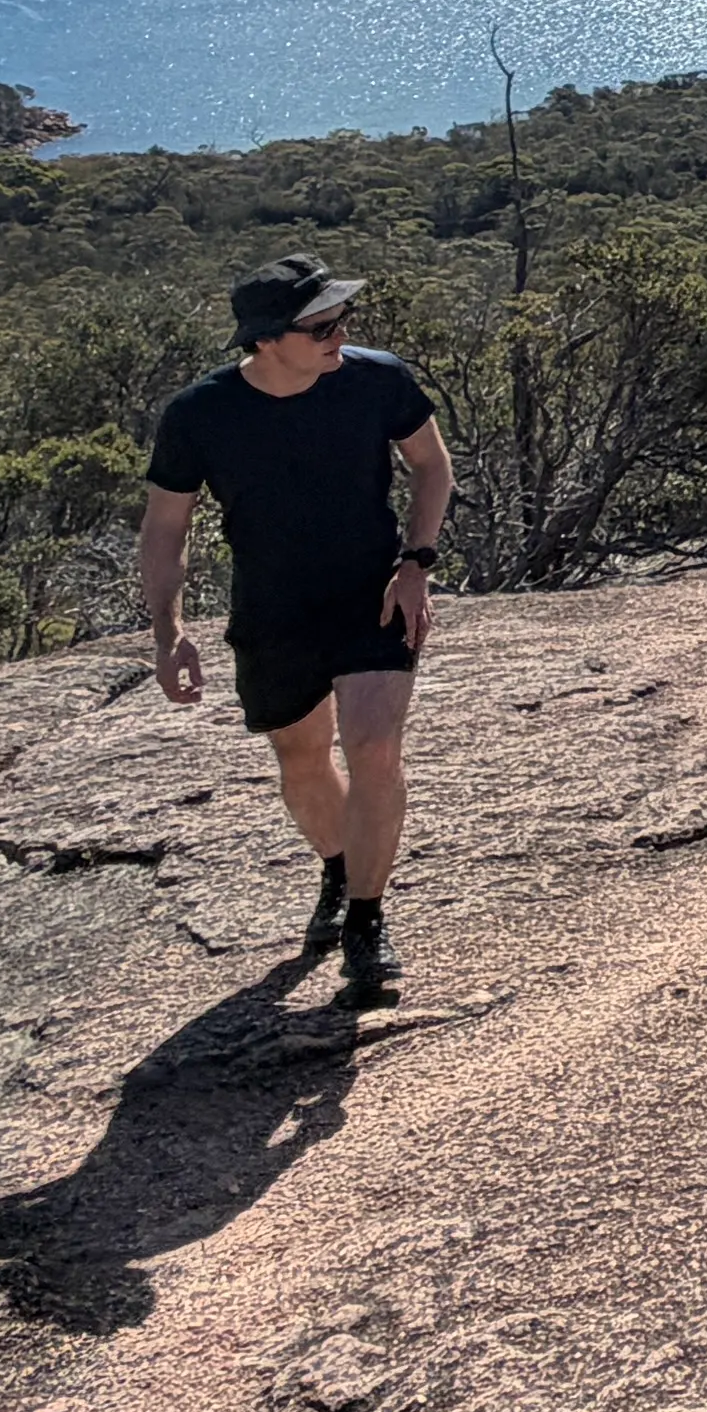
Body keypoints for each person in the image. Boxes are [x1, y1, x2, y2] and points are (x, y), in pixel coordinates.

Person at [139, 256, 457, 1017]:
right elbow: (165, 527)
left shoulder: (377, 379)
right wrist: (168, 633)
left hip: (371, 594)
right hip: (274, 610)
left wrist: (416, 565)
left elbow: (432, 466)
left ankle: (368, 923)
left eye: (342, 321)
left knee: (375, 747)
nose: (339, 337)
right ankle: (340, 868)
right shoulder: (199, 415)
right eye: (321, 327)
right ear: (266, 341)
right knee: (303, 760)